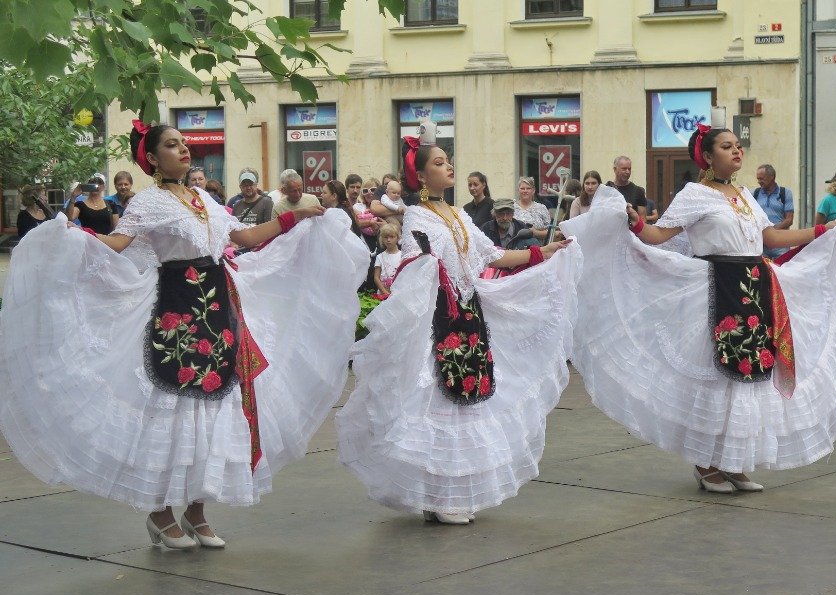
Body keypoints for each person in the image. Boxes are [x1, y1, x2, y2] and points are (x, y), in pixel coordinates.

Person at [0, 121, 369, 549]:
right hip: (174, 312)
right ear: (152, 158)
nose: (184, 149)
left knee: (216, 409)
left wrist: (293, 218)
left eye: (184, 143)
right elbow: (117, 244)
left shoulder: (204, 199)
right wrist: (72, 237)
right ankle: (160, 513)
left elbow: (245, 236)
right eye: (172, 145)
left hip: (219, 309)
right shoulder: (148, 202)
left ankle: (196, 512)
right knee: (173, 410)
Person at [563, 123, 836, 494]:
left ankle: (732, 462)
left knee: (749, 375)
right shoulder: (694, 195)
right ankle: (706, 464)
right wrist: (637, 223)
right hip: (717, 289)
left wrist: (822, 231)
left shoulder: (744, 194)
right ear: (707, 156)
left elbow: (770, 236)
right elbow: (659, 235)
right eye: (726, 146)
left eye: (738, 145)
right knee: (717, 377)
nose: (737, 151)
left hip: (754, 287)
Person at [337, 127, 582, 525]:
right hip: (437, 320)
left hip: (468, 315)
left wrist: (543, 252)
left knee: (466, 402)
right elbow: (414, 267)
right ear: (421, 176)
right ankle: (437, 495)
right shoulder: (417, 217)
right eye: (438, 163)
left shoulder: (459, 215)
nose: (448, 167)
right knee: (437, 402)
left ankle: (449, 493)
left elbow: (493, 255)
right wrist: (427, 268)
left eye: (448, 161)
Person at [754, 164, 794, 258]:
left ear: (771, 177)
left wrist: (772, 232)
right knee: (761, 268)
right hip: (762, 244)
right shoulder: (754, 194)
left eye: (761, 179)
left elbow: (789, 220)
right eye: (758, 179)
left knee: (782, 267)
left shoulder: (785, 193)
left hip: (781, 243)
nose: (759, 182)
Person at [373, 223, 402, 296]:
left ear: (398, 238)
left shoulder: (402, 256)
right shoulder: (380, 256)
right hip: (383, 294)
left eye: (392, 237)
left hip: (398, 294)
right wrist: (385, 292)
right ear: (382, 239)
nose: (388, 240)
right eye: (386, 237)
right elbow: (376, 277)